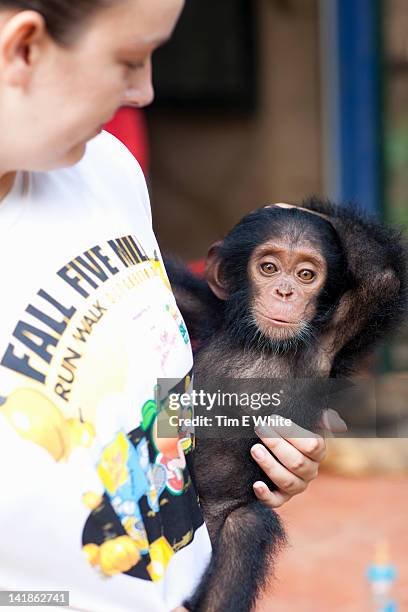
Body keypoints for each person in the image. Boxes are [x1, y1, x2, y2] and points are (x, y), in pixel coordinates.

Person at [0, 1, 346, 610]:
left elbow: (151, 395)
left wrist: (245, 451)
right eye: (129, 58)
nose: (147, 90)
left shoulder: (104, 169)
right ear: (23, 48)